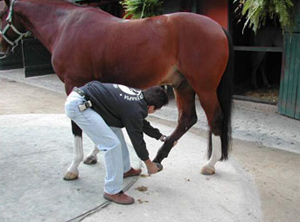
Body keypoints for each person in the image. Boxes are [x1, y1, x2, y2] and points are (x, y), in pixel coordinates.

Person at [65, 81, 169, 205]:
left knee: (115, 132)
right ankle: (112, 190)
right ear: (151, 107)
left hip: (88, 100)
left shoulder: (140, 96)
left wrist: (162, 137)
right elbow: (137, 139)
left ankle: (125, 169)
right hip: (80, 106)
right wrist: (149, 163)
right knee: (111, 145)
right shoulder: (135, 109)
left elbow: (141, 123)